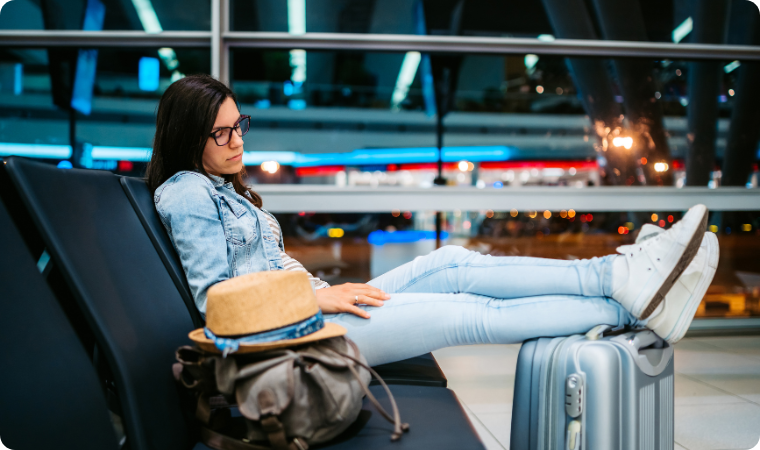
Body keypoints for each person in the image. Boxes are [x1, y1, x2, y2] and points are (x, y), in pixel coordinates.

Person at [147, 75, 718, 367]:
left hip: (309, 309)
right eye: (222, 132)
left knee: (453, 261)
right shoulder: (188, 193)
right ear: (187, 137)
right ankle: (631, 300)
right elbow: (215, 301)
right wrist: (317, 300)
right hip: (291, 338)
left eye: (239, 124)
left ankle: (617, 274)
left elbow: (264, 268)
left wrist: (319, 292)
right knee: (469, 314)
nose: (237, 140)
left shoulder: (222, 188)